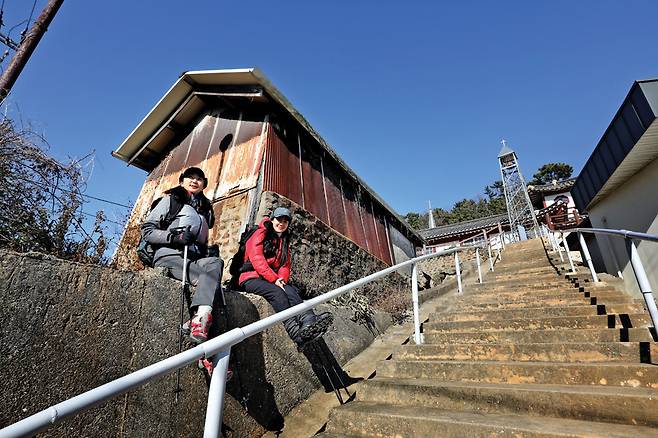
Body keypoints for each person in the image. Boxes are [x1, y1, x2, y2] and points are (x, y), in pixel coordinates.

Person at [141, 166, 223, 344]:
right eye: (190, 177)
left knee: (215, 263)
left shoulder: (205, 210)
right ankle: (206, 352)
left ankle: (198, 319)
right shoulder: (171, 200)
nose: (194, 181)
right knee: (211, 283)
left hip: (193, 259)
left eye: (199, 179)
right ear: (181, 181)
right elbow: (147, 231)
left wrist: (207, 251)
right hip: (169, 256)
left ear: (204, 185)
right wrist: (174, 237)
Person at [239, 207, 333, 350]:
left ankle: (308, 320)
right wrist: (274, 280)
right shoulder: (260, 233)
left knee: (290, 290)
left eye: (285, 221)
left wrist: (281, 279)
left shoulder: (284, 241)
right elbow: (257, 259)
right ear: (272, 220)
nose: (281, 224)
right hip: (250, 277)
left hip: (270, 279)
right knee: (277, 293)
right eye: (278, 220)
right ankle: (296, 334)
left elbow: (285, 265)